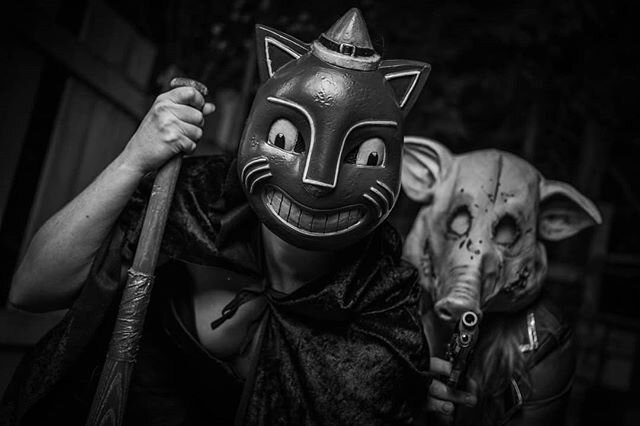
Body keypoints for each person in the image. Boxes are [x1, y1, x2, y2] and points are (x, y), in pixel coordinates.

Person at [2, 9, 433, 425]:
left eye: (366, 155)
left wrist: (402, 389)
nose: (317, 180)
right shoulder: (190, 199)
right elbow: (32, 289)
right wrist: (132, 160)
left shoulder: (384, 297)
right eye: (287, 139)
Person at [400, 136, 602, 425]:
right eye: (459, 220)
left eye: (507, 230)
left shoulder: (542, 344)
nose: (477, 251)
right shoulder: (385, 304)